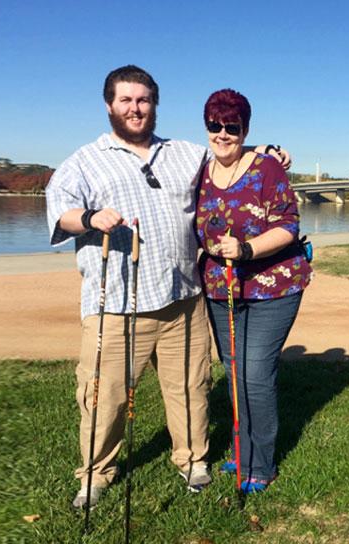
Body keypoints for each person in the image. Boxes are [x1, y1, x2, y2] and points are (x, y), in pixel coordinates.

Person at [45, 66, 289, 508]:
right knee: (106, 396)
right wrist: (88, 218)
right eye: (126, 100)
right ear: (109, 105)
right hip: (118, 305)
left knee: (191, 387)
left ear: (154, 104)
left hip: (184, 299)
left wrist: (265, 150)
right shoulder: (84, 160)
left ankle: (193, 459)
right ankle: (96, 473)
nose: (135, 109)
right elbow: (60, 210)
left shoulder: (184, 153)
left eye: (143, 100)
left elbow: (228, 152)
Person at [194, 89, 312, 494]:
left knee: (256, 374)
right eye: (215, 125)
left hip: (273, 285)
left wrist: (245, 250)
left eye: (232, 127)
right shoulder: (200, 170)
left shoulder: (267, 170)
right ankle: (241, 453)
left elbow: (287, 224)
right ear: (206, 125)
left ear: (244, 129)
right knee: (234, 372)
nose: (222, 134)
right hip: (220, 287)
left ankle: (262, 463)